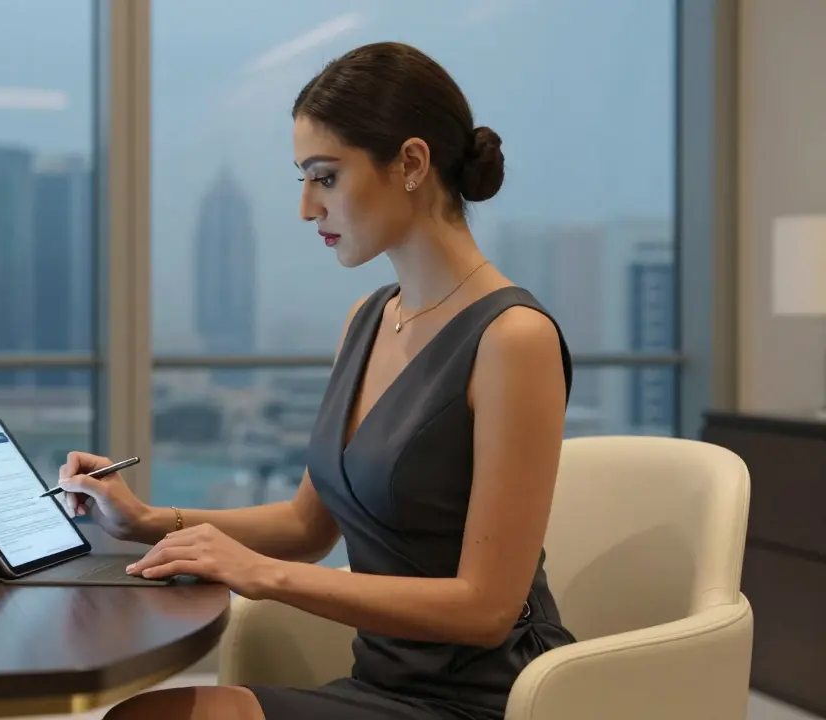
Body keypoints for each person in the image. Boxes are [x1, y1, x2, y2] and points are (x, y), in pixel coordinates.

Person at [58, 41, 576, 720]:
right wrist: (148, 521)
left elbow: (486, 609)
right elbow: (307, 526)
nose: (306, 207)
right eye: (302, 178)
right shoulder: (367, 320)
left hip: (488, 702)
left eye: (325, 177)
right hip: (381, 687)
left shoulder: (514, 338)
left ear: (412, 164)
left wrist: (265, 577)